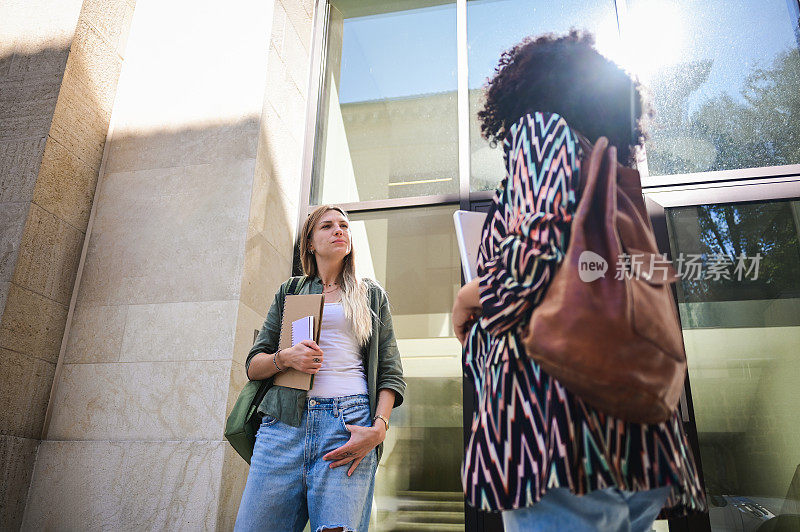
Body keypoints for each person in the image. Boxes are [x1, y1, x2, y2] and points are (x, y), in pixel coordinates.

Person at [451, 31, 708, 532]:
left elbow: (538, 243)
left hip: (556, 434)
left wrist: (471, 296)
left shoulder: (540, 128)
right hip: (632, 440)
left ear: (523, 86)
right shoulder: (610, 169)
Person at [235, 205, 405, 532]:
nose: (338, 230)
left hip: (348, 426)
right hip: (283, 427)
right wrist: (284, 359)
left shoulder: (370, 295)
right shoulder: (292, 291)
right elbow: (254, 366)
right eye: (327, 226)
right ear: (310, 243)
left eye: (344, 225)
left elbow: (390, 373)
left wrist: (379, 428)